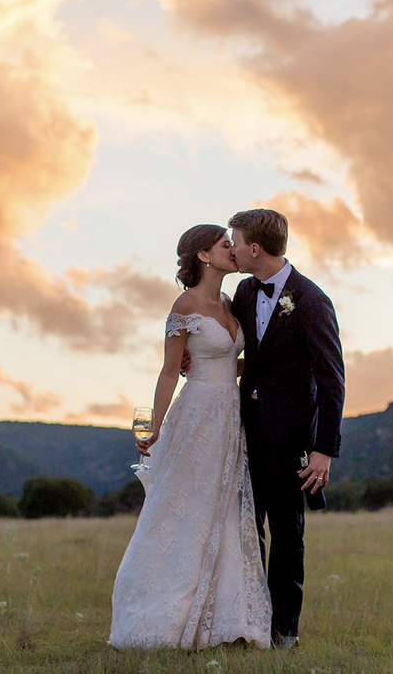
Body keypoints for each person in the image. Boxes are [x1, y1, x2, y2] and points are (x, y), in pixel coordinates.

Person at [109, 224, 272, 650]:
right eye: (225, 245)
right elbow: (169, 370)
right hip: (198, 413)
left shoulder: (230, 301)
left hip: (230, 415)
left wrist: (240, 371)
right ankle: (165, 614)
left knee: (225, 510)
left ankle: (224, 619)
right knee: (187, 510)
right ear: (203, 256)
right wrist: (157, 427)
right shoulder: (184, 305)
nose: (233, 251)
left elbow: (230, 362)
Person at [228, 208, 345, 648]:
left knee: (287, 532)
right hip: (245, 432)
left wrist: (323, 449)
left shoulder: (312, 301)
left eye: (235, 241)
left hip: (292, 438)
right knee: (245, 528)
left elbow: (332, 378)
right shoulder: (243, 290)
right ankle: (251, 620)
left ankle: (284, 632)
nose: (232, 248)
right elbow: (257, 359)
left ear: (254, 248)